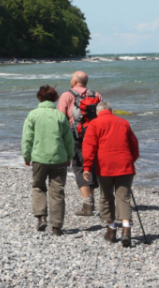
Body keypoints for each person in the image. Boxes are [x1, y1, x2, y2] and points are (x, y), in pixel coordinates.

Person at [81, 101, 140, 247]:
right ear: (111, 111)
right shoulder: (124, 122)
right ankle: (126, 230)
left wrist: (87, 167)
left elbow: (89, 147)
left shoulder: (94, 124)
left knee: (106, 197)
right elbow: (134, 147)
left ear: (97, 112)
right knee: (124, 197)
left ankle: (111, 230)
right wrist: (130, 160)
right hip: (125, 165)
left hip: (105, 165)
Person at [21, 85, 76, 235]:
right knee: (57, 191)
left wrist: (26, 156)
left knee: (38, 187)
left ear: (39, 98)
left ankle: (42, 217)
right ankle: (57, 227)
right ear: (55, 99)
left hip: (39, 158)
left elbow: (27, 138)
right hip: (59, 158)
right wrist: (70, 156)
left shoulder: (33, 114)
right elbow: (68, 140)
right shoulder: (60, 116)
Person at [57, 71, 101, 216]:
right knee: (92, 165)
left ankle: (87, 204)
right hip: (95, 137)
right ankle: (92, 200)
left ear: (74, 82)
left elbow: (60, 117)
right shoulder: (96, 95)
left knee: (79, 167)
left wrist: (62, 139)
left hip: (76, 137)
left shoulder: (67, 95)